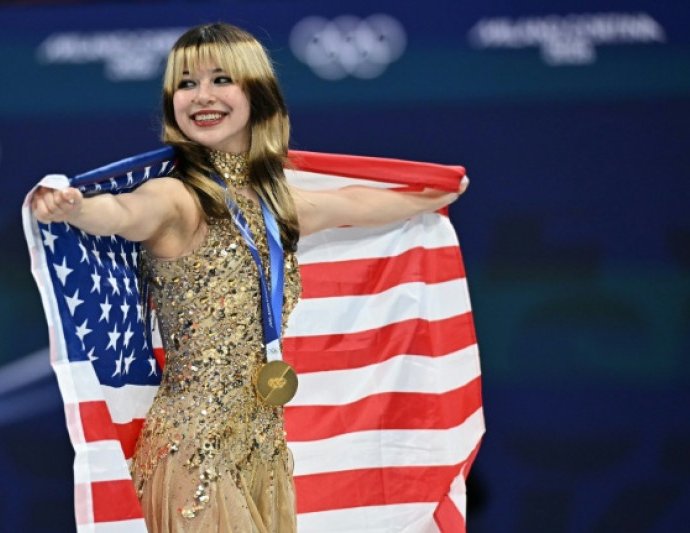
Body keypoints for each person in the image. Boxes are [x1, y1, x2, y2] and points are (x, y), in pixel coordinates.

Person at [32, 22, 466, 533]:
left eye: (221, 79)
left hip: (263, 450)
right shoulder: (176, 197)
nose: (202, 96)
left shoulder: (275, 204)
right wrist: (74, 208)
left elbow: (355, 203)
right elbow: (123, 213)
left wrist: (443, 191)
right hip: (194, 458)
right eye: (186, 84)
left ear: (256, 92)